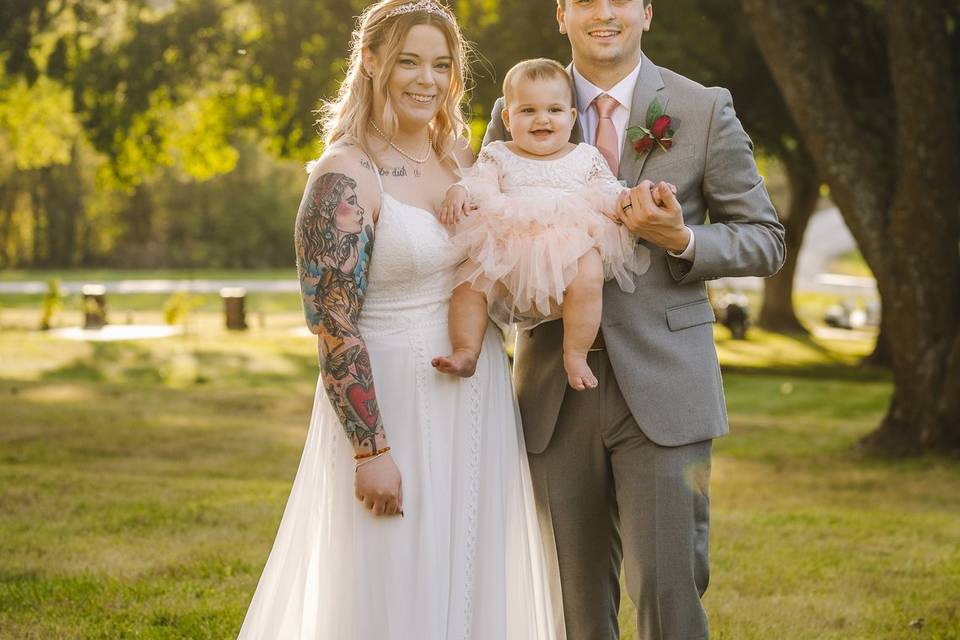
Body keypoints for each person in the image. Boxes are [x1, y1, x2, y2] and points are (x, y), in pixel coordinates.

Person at [237, 2, 558, 638]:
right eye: (409, 61)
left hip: (478, 397)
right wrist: (370, 450)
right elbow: (333, 325)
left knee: (474, 571)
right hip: (393, 407)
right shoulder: (345, 175)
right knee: (393, 579)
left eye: (441, 65)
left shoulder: (462, 160)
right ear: (371, 61)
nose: (426, 79)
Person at [482, 0, 787, 638]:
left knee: (670, 591)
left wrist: (682, 241)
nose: (604, 12)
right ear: (560, 14)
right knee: (571, 598)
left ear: (646, 12)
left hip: (667, 383)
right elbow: (487, 236)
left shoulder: (703, 108)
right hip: (553, 390)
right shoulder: (519, 105)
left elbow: (764, 239)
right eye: (585, 0)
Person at [432, 58, 657, 391]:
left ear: (571, 117)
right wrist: (459, 189)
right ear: (507, 118)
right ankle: (466, 350)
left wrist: (639, 197)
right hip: (507, 242)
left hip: (569, 242)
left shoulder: (585, 157)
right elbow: (479, 182)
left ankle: (576, 353)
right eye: (527, 111)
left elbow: (610, 193)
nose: (541, 119)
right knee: (469, 284)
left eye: (553, 110)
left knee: (589, 274)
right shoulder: (500, 153)